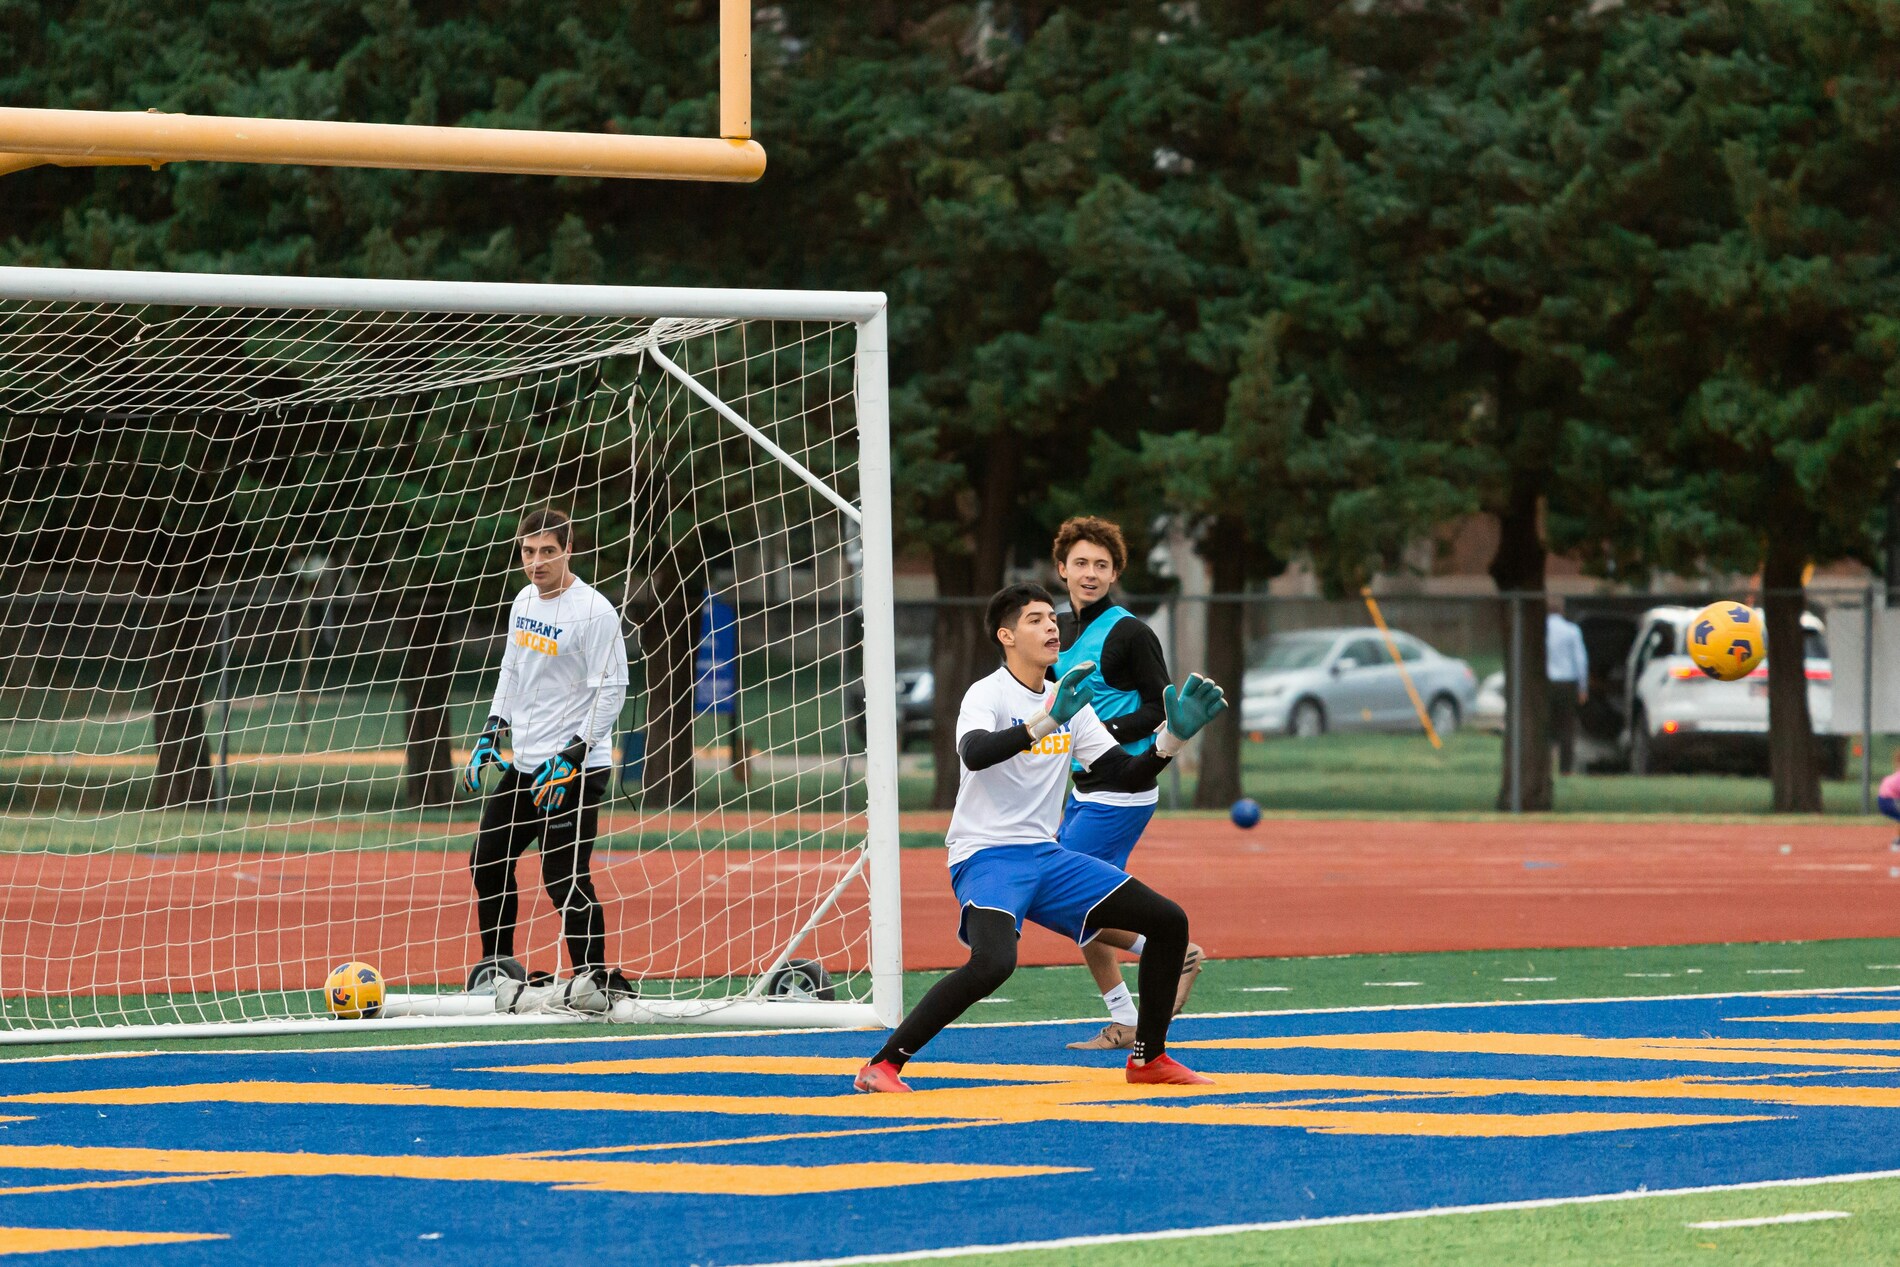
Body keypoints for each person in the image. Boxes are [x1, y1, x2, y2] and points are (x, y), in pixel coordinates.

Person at [854, 584, 1227, 1093]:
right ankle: (883, 1065)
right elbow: (976, 753)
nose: (1052, 626)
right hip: (986, 856)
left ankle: (1148, 1059)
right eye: (1035, 619)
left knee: (1168, 922)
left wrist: (1172, 739)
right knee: (993, 963)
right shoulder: (988, 693)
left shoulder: (1068, 697)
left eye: (1053, 617)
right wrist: (1049, 719)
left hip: (1047, 857)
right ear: (1006, 636)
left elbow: (1124, 772)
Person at [462, 508, 631, 997]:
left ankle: (593, 980)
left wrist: (574, 755)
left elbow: (612, 690)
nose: (536, 562)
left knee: (563, 875)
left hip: (573, 769)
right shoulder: (522, 601)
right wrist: (493, 729)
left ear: (568, 550)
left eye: (548, 552)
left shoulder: (595, 611)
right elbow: (512, 671)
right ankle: (496, 970)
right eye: (528, 552)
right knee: (487, 858)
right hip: (526, 763)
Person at [1050, 516, 1202, 1050]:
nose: (1090, 573)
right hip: (1084, 788)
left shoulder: (1131, 631)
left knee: (1062, 899)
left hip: (1124, 786)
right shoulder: (1058, 633)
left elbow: (1161, 706)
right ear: (1061, 568)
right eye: (1081, 563)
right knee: (1088, 901)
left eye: (1101, 565)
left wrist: (1101, 734)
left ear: (1114, 573)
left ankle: (1170, 948)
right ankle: (1124, 1021)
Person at [1546, 598, 1588, 775]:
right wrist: (1582, 687)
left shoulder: (1539, 631)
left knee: (1545, 727)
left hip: (1546, 683)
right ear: (1562, 611)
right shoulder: (1572, 631)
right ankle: (1565, 769)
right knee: (1566, 728)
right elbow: (1580, 660)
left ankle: (1544, 766)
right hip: (1567, 683)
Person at [1880, 750, 1900, 847]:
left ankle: (1898, 841)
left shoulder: (1896, 774)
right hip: (1888, 801)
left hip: (1885, 800)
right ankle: (1897, 842)